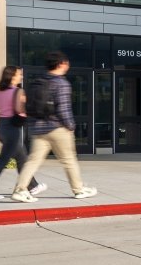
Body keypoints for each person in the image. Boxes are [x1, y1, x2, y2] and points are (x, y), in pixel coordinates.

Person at [11, 51, 97, 202]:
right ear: (61, 64)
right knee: (69, 160)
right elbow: (63, 109)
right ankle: (79, 190)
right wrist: (70, 126)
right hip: (57, 128)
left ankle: (20, 190)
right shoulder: (61, 83)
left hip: (38, 128)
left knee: (32, 161)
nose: (67, 65)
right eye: (66, 63)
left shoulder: (39, 81)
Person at [0, 66, 46, 200]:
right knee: (4, 159)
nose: (21, 77)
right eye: (19, 75)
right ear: (12, 76)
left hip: (1, 127)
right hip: (13, 128)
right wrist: (27, 106)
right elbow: (19, 110)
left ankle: (32, 186)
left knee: (21, 157)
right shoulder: (18, 91)